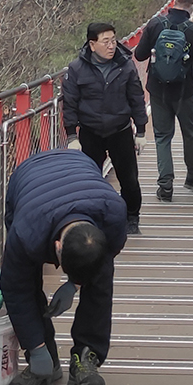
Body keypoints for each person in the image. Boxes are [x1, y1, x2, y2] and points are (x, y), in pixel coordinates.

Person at [1, 148, 127, 385]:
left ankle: (86, 357)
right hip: (27, 178)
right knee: (25, 279)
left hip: (79, 166)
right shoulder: (26, 231)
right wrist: (34, 347)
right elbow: (15, 288)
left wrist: (74, 284)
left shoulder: (113, 213)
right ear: (56, 248)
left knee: (100, 274)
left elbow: (102, 262)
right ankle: (44, 357)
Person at [63, 22, 147, 234]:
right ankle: (92, 218)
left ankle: (132, 216)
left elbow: (136, 98)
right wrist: (72, 135)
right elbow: (70, 103)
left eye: (113, 40)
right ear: (92, 45)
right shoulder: (76, 69)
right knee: (89, 179)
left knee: (129, 178)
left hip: (120, 129)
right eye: (106, 41)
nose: (111, 46)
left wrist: (141, 131)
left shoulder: (125, 65)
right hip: (90, 131)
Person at [133, 0, 193, 201]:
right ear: (192, 7)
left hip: (158, 91)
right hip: (184, 92)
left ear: (174, 2)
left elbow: (139, 55)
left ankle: (165, 187)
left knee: (162, 137)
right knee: (189, 133)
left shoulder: (155, 24)